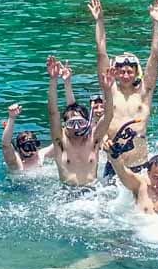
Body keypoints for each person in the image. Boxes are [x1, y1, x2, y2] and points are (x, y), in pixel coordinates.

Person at [88, 0, 158, 175]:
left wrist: (156, 23)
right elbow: (101, 52)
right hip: (114, 164)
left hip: (141, 164)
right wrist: (99, 21)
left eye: (129, 71)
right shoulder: (110, 89)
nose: (125, 74)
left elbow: (155, 54)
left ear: (136, 71)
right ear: (114, 72)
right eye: (121, 71)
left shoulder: (145, 91)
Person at [47, 55, 115, 186]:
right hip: (67, 194)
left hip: (92, 195)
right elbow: (53, 113)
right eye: (72, 123)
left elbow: (108, 115)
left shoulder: (94, 139)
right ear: (64, 125)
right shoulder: (60, 140)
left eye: (81, 123)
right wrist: (53, 80)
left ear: (88, 123)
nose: (77, 127)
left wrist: (108, 90)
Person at [1, 103, 54, 172]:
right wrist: (11, 118)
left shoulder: (41, 155)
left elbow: (61, 140)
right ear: (20, 149)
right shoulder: (18, 164)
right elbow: (6, 145)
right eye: (27, 147)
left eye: (34, 146)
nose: (31, 151)